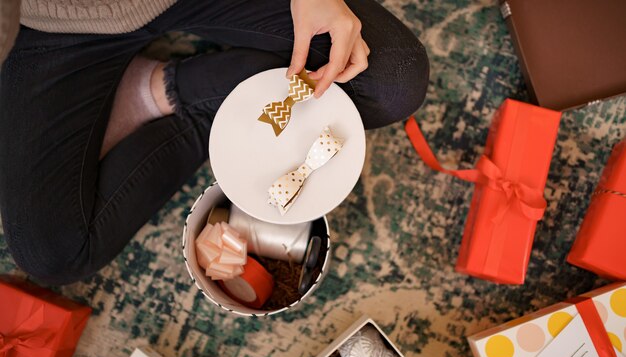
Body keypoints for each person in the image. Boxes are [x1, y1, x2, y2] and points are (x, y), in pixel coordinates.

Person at [0, 0, 429, 285]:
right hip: (49, 21)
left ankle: (187, 94)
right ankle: (185, 97)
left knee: (391, 83)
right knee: (52, 255)